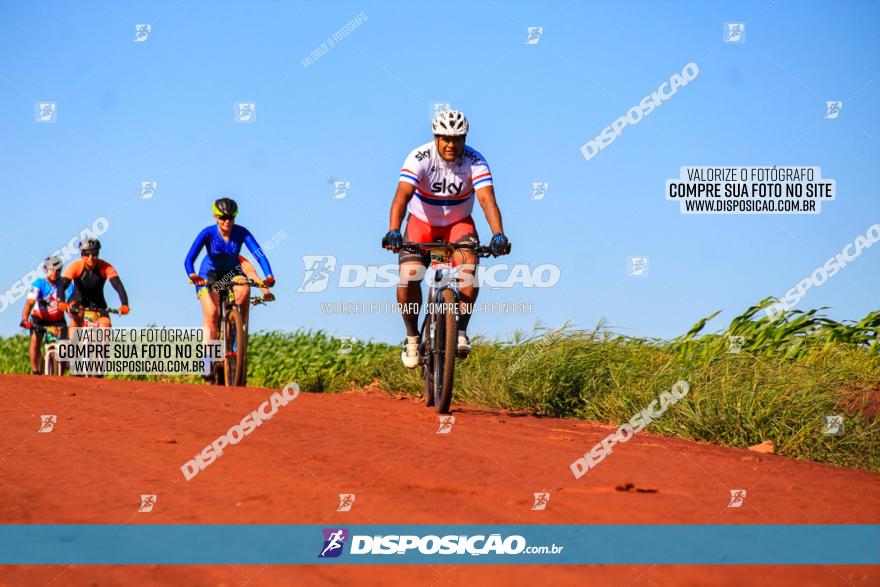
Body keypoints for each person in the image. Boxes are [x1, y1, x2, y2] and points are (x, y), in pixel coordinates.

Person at [382, 110, 510, 368]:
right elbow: (401, 196)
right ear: (436, 137)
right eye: (446, 139)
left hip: (457, 225)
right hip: (422, 224)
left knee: (468, 270)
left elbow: (487, 200)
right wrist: (394, 229)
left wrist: (498, 233)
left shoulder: (475, 161)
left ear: (464, 139)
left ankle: (460, 331)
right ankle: (411, 337)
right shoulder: (420, 157)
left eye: (458, 139)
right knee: (409, 275)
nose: (451, 145)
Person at [184, 198, 274, 341]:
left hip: (233, 272)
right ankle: (207, 361)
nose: (227, 221)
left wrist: (269, 276)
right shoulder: (208, 233)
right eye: (223, 217)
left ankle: (235, 333)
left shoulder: (241, 232)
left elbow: (259, 256)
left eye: (231, 217)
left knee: (245, 289)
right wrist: (192, 274)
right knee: (212, 314)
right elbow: (189, 259)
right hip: (209, 274)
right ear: (215, 217)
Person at [58, 238, 130, 327]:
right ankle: (72, 340)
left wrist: (124, 304)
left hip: (98, 303)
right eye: (86, 254)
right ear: (81, 255)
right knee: (78, 314)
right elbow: (62, 285)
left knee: (106, 324)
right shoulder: (75, 266)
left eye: (94, 253)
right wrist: (61, 301)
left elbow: (118, 286)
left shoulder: (106, 267)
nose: (90, 257)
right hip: (77, 301)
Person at [20, 256, 73, 374]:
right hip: (39, 318)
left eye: (58, 270)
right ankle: (35, 371)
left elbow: (70, 303)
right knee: (35, 340)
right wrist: (24, 319)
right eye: (51, 269)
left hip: (58, 320)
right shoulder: (39, 283)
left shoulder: (66, 285)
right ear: (45, 270)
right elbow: (29, 303)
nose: (55, 272)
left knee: (66, 343)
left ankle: (63, 370)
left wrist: (73, 317)